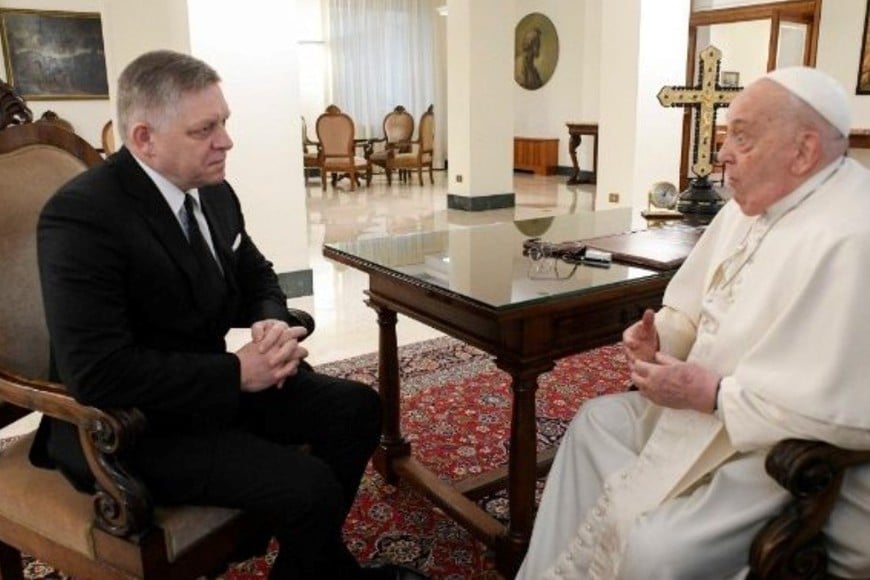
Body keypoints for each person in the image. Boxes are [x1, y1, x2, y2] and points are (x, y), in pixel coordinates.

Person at [34, 49, 426, 580]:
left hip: (208, 392)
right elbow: (96, 372)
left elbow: (257, 274)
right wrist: (238, 372)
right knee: (306, 486)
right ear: (145, 138)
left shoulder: (213, 193)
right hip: (128, 426)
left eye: (224, 122)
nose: (226, 141)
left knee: (357, 409)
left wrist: (267, 319)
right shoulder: (82, 216)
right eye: (205, 129)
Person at [517, 66, 870, 579]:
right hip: (708, 414)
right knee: (594, 423)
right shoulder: (753, 203)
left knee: (657, 549)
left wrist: (712, 395)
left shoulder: (852, 237)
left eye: (741, 137)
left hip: (782, 451)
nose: (722, 153)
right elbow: (695, 306)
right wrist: (661, 337)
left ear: (804, 151)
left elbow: (839, 414)